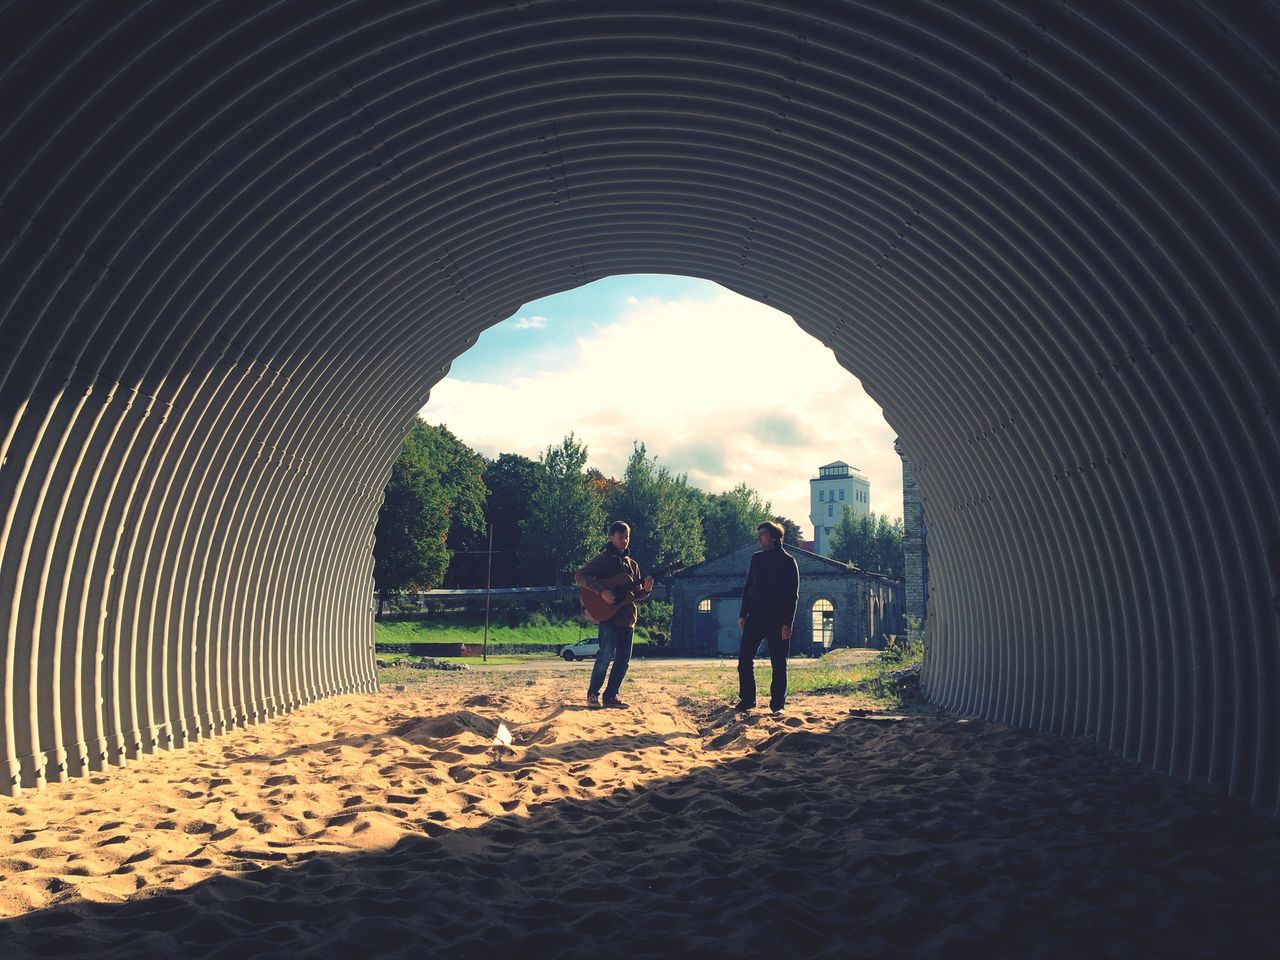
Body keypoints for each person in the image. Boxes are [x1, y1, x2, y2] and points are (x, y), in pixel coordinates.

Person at [574, 521, 653, 708]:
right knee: (605, 655)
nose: (625, 541)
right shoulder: (602, 560)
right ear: (612, 537)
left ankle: (611, 696)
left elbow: (635, 595)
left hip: (627, 619)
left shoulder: (633, 565)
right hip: (608, 616)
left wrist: (646, 591)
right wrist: (601, 591)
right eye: (621, 537)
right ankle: (592, 693)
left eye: (627, 537)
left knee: (623, 659)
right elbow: (580, 576)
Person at [736, 520, 800, 714]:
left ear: (774, 537)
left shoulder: (788, 562)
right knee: (744, 660)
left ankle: (777, 705)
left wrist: (787, 623)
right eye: (759, 534)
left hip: (777, 621)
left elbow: (792, 595)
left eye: (763, 534)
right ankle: (747, 700)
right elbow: (748, 587)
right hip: (754, 618)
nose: (759, 538)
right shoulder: (756, 559)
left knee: (778, 664)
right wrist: (742, 614)